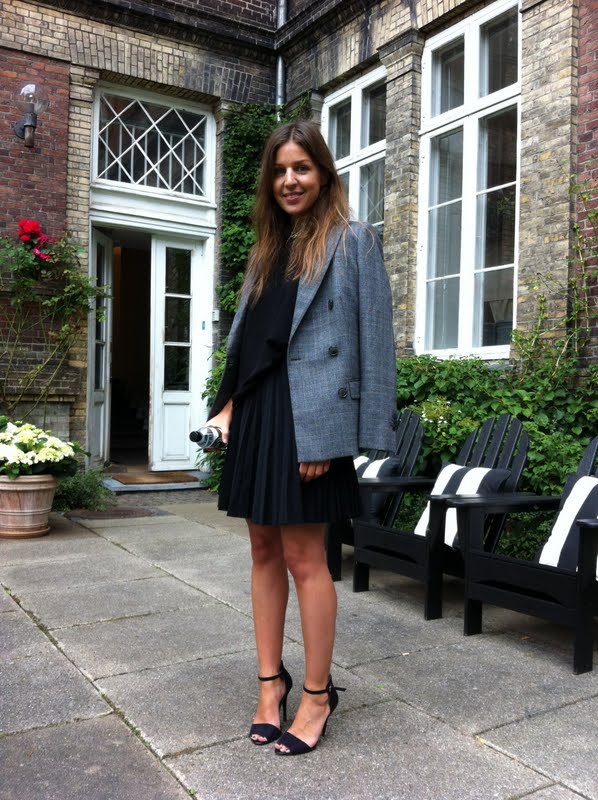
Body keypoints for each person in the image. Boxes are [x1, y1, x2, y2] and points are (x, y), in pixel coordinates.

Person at [205, 120, 397, 756]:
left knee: (305, 558)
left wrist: (343, 441)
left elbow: (375, 346)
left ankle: (317, 695)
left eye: (302, 168)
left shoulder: (352, 240)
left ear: (323, 174)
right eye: (280, 170)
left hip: (311, 421)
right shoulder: (267, 249)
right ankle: (271, 685)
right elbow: (249, 345)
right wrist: (226, 407)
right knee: (262, 550)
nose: (290, 180)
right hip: (260, 413)